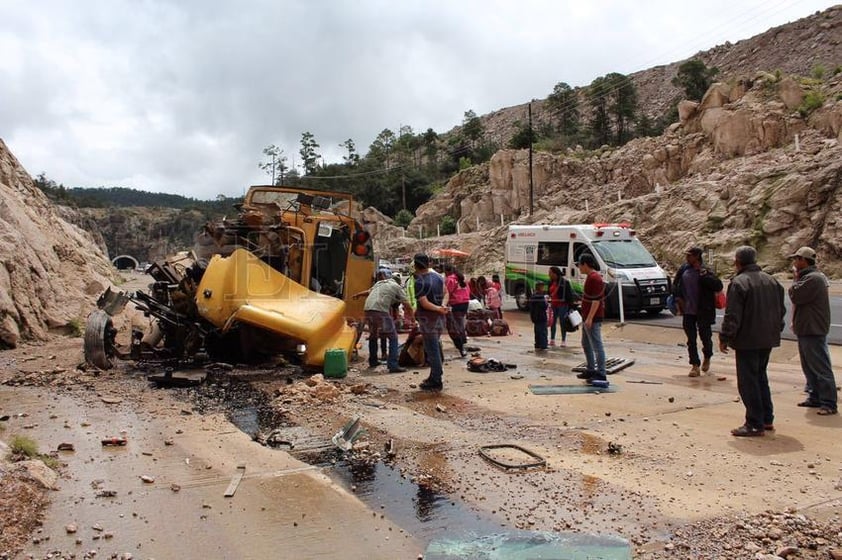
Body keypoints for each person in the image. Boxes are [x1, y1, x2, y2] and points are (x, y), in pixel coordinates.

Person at [719, 246, 786, 437]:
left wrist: (725, 337)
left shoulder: (739, 283)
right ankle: (766, 419)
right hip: (767, 338)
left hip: (747, 339)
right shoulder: (772, 280)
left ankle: (754, 423)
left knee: (748, 381)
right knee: (760, 377)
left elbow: (733, 316)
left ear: (738, 261)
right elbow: (780, 311)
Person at [787, 246, 838, 415]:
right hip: (807, 328)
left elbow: (796, 295)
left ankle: (829, 402)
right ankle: (815, 396)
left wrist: (795, 280)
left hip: (813, 329)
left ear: (803, 260)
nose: (794, 263)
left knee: (820, 366)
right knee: (809, 366)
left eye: (797, 259)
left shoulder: (813, 279)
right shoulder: (810, 278)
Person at [672, 247, 724, 376]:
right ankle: (695, 365)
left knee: (706, 337)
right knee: (691, 339)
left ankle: (707, 356)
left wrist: (704, 275)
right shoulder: (684, 269)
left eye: (690, 255)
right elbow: (675, 284)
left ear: (697, 257)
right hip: (688, 310)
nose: (687, 258)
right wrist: (678, 299)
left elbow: (718, 285)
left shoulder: (706, 270)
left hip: (704, 310)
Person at [352, 268, 413, 373]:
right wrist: (413, 318)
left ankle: (373, 360)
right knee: (393, 337)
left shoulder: (379, 284)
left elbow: (368, 292)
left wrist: (358, 295)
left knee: (373, 335)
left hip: (368, 310)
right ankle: (393, 365)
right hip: (380, 311)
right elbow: (406, 304)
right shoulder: (396, 287)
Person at [413, 253, 448, 391]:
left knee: (431, 350)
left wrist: (438, 309)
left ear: (415, 265)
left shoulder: (419, 282)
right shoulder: (438, 277)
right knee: (434, 347)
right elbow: (446, 293)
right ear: (428, 264)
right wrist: (443, 306)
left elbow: (425, 303)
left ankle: (436, 379)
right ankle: (434, 375)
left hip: (429, 320)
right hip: (440, 319)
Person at [575, 254, 607, 385]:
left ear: (585, 264)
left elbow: (596, 300)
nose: (578, 268)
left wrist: (589, 318)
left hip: (592, 318)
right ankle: (591, 368)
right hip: (587, 316)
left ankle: (601, 372)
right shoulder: (590, 277)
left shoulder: (595, 278)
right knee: (586, 343)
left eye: (579, 265)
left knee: (597, 345)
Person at [444, 265, 471, 357]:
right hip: (465, 302)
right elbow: (468, 290)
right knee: (460, 321)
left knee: (456, 324)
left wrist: (445, 303)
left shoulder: (450, 279)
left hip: (456, 303)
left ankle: (461, 343)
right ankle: (463, 340)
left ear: (447, 271)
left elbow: (447, 292)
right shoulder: (462, 278)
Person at [548, 266, 578, 347]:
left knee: (562, 322)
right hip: (553, 304)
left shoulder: (564, 283)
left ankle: (563, 340)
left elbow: (569, 295)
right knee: (552, 322)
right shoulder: (550, 282)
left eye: (550, 272)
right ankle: (552, 339)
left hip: (562, 305)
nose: (549, 274)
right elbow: (549, 292)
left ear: (555, 274)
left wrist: (570, 306)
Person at [528, 281, 549, 350]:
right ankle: (543, 344)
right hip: (542, 317)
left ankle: (537, 344)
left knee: (537, 331)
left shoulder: (533, 296)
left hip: (535, 317)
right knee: (543, 331)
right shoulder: (541, 297)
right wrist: (547, 302)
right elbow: (544, 306)